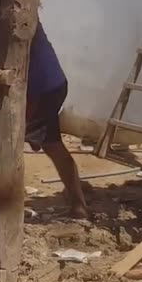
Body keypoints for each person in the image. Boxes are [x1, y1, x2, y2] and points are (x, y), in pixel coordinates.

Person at [27, 22, 89, 218]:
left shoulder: (13, 12)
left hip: (40, 90)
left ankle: (3, 204)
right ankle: (79, 205)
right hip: (52, 84)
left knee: (6, 144)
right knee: (52, 145)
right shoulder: (23, 9)